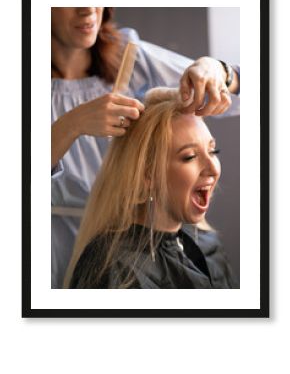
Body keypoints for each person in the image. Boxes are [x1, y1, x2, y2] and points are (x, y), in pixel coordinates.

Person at [52, 7, 240, 288]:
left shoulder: (131, 56)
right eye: (189, 155)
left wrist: (218, 71)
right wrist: (70, 126)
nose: (88, 8)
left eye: (213, 151)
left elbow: (246, 88)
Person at [64, 87, 237, 289]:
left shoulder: (209, 245)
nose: (212, 168)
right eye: (190, 156)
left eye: (212, 150)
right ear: (147, 176)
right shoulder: (115, 268)